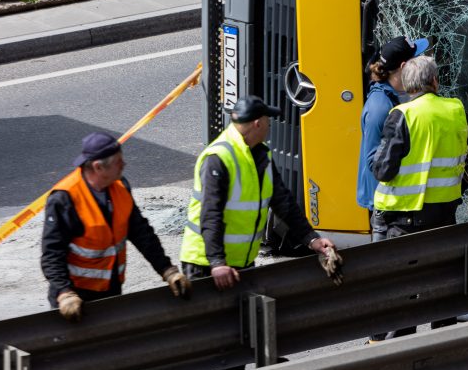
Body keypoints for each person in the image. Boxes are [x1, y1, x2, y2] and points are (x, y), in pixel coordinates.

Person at [180, 95, 340, 289]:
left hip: (241, 262)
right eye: (267, 120)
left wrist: (312, 238)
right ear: (257, 123)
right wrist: (217, 262)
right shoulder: (219, 158)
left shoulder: (261, 155)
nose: (269, 125)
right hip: (205, 265)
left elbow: (283, 202)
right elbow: (210, 213)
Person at [41, 132, 190, 321]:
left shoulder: (120, 187)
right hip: (75, 297)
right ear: (98, 167)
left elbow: (142, 234)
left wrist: (167, 270)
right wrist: (64, 292)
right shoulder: (65, 199)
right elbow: (52, 254)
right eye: (118, 161)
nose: (124, 164)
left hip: (110, 289)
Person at [371, 55, 468, 337]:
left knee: (405, 293)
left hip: (404, 219)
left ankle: (403, 354)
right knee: (443, 288)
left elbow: (383, 170)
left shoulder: (402, 115)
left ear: (406, 85)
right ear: (435, 81)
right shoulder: (456, 110)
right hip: (444, 214)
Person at [358, 35, 430, 241]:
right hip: (384, 207)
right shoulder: (380, 107)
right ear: (404, 65)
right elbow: (374, 163)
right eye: (418, 58)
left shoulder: (395, 96)